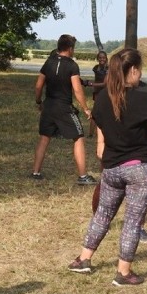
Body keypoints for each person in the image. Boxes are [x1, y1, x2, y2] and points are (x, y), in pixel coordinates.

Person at [67, 49, 147, 286]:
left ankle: (83, 259)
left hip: (112, 169)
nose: (141, 73)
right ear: (133, 70)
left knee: (102, 215)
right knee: (133, 220)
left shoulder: (102, 97)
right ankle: (123, 273)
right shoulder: (142, 96)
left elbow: (102, 127)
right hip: (140, 170)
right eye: (140, 69)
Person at [31, 34, 97, 185]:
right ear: (70, 48)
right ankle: (82, 176)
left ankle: (35, 172)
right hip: (63, 107)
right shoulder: (72, 65)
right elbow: (78, 90)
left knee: (44, 137)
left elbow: (38, 85)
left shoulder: (48, 62)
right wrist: (86, 108)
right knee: (79, 137)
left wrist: (38, 101)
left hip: (48, 106)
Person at [87, 50, 109, 138]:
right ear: (97, 58)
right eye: (100, 57)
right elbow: (97, 80)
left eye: (103, 57)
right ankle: (91, 134)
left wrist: (90, 84)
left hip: (106, 93)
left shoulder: (108, 69)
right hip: (97, 92)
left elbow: (105, 83)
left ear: (106, 58)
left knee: (106, 113)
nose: (102, 59)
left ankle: (105, 132)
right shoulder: (96, 68)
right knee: (95, 112)